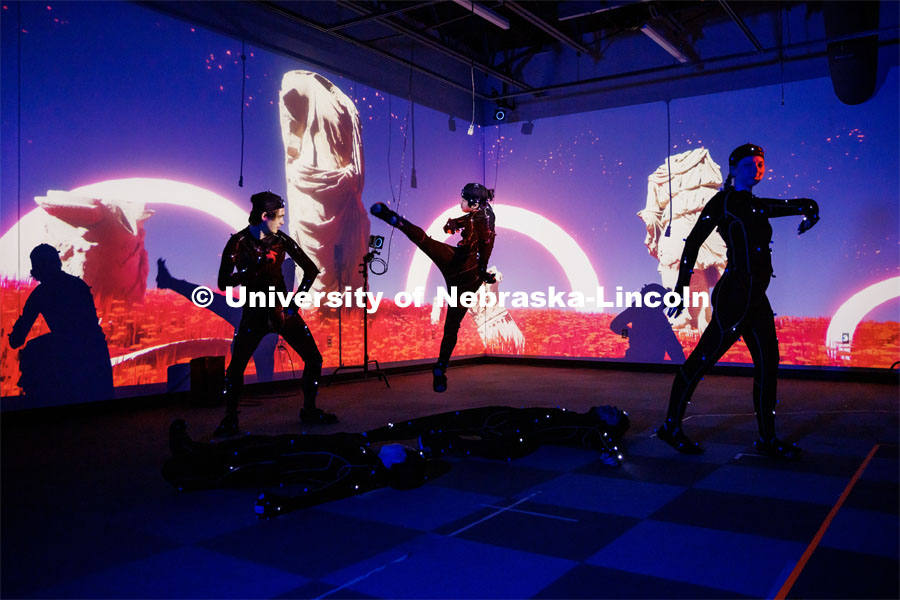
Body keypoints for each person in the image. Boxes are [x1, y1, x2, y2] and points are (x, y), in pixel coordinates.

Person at [163, 403, 629, 517]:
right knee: (260, 446)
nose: (609, 409)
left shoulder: (360, 470)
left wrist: (281, 505)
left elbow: (325, 490)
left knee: (255, 459)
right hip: (295, 451)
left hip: (291, 461)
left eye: (615, 416)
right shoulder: (364, 457)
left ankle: (197, 468)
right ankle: (198, 455)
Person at [657, 144, 819, 459]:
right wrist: (679, 289)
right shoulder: (726, 202)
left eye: (760, 164)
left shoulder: (753, 203)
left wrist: (809, 207)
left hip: (755, 297)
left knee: (768, 364)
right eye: (748, 164)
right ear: (733, 169)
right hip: (735, 295)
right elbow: (692, 244)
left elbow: (771, 207)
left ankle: (767, 439)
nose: (756, 169)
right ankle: (670, 426)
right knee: (702, 360)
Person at [214, 191, 337, 437]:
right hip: (255, 312)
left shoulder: (281, 240)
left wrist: (296, 302)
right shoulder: (237, 243)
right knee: (237, 366)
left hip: (283, 311)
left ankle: (310, 410)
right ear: (263, 216)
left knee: (314, 359)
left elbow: (311, 270)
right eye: (279, 217)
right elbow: (224, 283)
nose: (282, 222)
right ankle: (230, 419)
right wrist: (254, 268)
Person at [370, 183, 496, 392]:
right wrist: (456, 224)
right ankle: (440, 368)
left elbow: (487, 243)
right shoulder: (483, 213)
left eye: (463, 199)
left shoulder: (484, 218)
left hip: (463, 266)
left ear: (474, 203)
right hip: (467, 274)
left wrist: (482, 270)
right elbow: (475, 225)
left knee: (425, 242)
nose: (460, 202)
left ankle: (393, 218)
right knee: (452, 326)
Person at [8, 244, 114, 404]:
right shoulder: (78, 285)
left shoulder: (40, 294)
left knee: (32, 351)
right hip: (96, 354)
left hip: (73, 355)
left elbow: (17, 340)